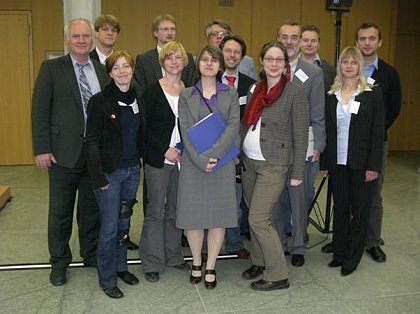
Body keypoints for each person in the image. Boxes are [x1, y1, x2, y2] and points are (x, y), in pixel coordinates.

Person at [32, 18, 108, 286]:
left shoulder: (101, 71)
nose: (81, 40)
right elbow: (40, 110)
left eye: (86, 36)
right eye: (76, 36)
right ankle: (59, 262)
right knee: (60, 212)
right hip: (62, 153)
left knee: (90, 210)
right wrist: (42, 149)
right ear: (68, 39)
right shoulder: (52, 68)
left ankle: (90, 255)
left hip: (93, 155)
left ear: (92, 39)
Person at [322, 23, 402, 259]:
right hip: (340, 157)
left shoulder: (384, 78)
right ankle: (341, 245)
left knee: (368, 200)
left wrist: (368, 147)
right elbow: (328, 128)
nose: (367, 42)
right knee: (342, 203)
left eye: (372, 38)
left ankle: (369, 243)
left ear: (379, 42)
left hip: (367, 151)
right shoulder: (332, 92)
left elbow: (391, 111)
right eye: (362, 38)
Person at [241, 41, 308, 291]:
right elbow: (246, 123)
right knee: (253, 215)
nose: (274, 63)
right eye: (269, 58)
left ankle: (278, 273)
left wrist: (298, 173)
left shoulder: (294, 92)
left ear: (285, 63)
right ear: (262, 61)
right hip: (249, 162)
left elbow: (301, 135)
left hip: (275, 164)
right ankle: (259, 262)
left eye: (279, 59)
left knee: (258, 218)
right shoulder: (255, 89)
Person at [176, 45, 240, 289]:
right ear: (198, 64)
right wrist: (200, 159)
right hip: (194, 165)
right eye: (204, 59)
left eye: (214, 60)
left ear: (220, 65)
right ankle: (195, 261)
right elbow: (185, 129)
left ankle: (211, 264)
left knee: (217, 217)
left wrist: (213, 155)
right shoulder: (187, 94)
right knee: (193, 218)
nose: (209, 63)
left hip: (221, 164)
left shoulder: (230, 93)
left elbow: (234, 126)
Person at [320, 46, 384, 276]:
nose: (349, 65)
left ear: (360, 66)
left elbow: (378, 132)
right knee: (341, 208)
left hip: (361, 162)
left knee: (360, 209)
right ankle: (339, 252)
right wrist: (325, 163)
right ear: (340, 66)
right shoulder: (332, 93)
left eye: (353, 62)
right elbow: (328, 129)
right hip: (337, 162)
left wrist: (373, 166)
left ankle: (353, 256)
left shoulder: (372, 92)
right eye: (345, 62)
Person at [85, 51, 142, 298]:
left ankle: (121, 268)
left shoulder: (139, 96)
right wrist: (98, 177)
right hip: (109, 173)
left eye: (126, 66)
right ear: (110, 73)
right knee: (108, 229)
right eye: (116, 67)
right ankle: (107, 277)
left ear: (132, 69)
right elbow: (92, 141)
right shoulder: (100, 101)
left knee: (124, 224)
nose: (122, 71)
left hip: (132, 170)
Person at [271, 22, 325, 267]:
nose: (290, 41)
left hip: (304, 145)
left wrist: (318, 145)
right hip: (275, 149)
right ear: (278, 39)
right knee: (277, 198)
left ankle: (299, 245)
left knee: (300, 198)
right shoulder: (272, 69)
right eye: (285, 37)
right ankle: (279, 242)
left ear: (300, 41)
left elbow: (318, 113)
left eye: (294, 37)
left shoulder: (312, 73)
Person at [138, 41, 189, 283]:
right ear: (163, 61)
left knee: (176, 210)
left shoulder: (188, 90)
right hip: (159, 159)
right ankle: (152, 261)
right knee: (155, 210)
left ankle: (174, 256)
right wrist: (164, 150)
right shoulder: (150, 91)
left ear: (183, 61)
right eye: (169, 58)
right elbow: (144, 130)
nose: (174, 62)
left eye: (178, 57)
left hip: (182, 160)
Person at [218, 34, 255, 258]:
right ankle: (205, 247)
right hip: (213, 147)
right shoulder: (209, 80)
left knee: (236, 201)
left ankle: (234, 243)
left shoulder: (251, 86)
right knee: (211, 198)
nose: (232, 55)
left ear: (242, 57)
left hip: (239, 151)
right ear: (221, 53)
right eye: (228, 51)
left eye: (237, 52)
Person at [134, 14, 197, 92]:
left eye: (172, 29)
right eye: (165, 29)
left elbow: (193, 88)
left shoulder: (188, 58)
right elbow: (139, 90)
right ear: (155, 33)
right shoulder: (144, 60)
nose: (170, 33)